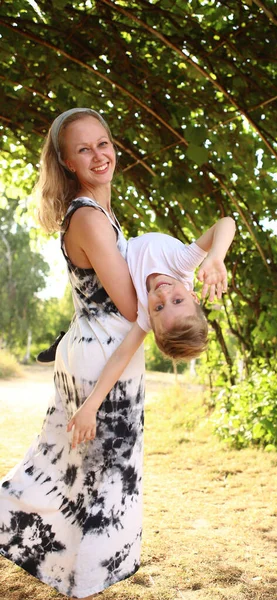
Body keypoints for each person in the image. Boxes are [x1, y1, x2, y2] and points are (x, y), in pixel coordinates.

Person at [0, 108, 144, 600]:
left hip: (94, 349)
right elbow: (130, 305)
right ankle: (84, 580)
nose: (98, 155)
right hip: (103, 358)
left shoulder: (97, 214)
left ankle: (81, 579)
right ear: (66, 161)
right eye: (84, 149)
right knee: (101, 478)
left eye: (103, 142)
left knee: (73, 470)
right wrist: (171, 279)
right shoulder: (88, 217)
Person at [67, 216, 236, 449]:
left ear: (151, 315)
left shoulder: (144, 314)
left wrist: (91, 406)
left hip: (114, 250)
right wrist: (216, 255)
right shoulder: (183, 262)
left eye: (158, 308)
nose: (164, 296)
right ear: (193, 295)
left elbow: (121, 357)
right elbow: (226, 222)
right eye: (178, 300)